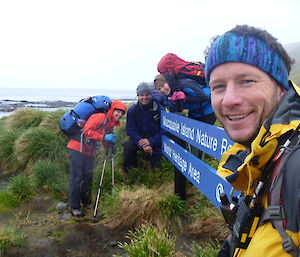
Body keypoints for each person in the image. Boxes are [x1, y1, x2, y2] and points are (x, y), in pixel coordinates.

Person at [205, 24, 300, 257]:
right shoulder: (261, 156)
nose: (229, 99)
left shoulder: (295, 164)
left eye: (247, 81)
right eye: (218, 86)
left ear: (280, 87)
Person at [67, 99, 127, 217]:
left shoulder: (110, 123)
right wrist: (104, 137)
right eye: (117, 112)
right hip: (77, 148)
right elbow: (87, 131)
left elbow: (104, 138)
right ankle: (74, 206)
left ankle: (86, 202)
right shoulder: (100, 117)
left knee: (88, 176)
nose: (119, 115)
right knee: (77, 177)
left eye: (122, 113)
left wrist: (109, 145)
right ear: (112, 110)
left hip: (89, 150)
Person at [123, 82, 163, 174]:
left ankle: (156, 179)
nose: (144, 97)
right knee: (128, 147)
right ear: (138, 96)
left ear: (151, 95)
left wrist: (151, 141)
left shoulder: (159, 109)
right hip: (139, 140)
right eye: (141, 95)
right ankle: (129, 174)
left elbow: (164, 130)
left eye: (147, 94)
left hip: (156, 140)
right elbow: (130, 130)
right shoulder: (133, 110)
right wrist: (143, 143)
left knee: (157, 166)